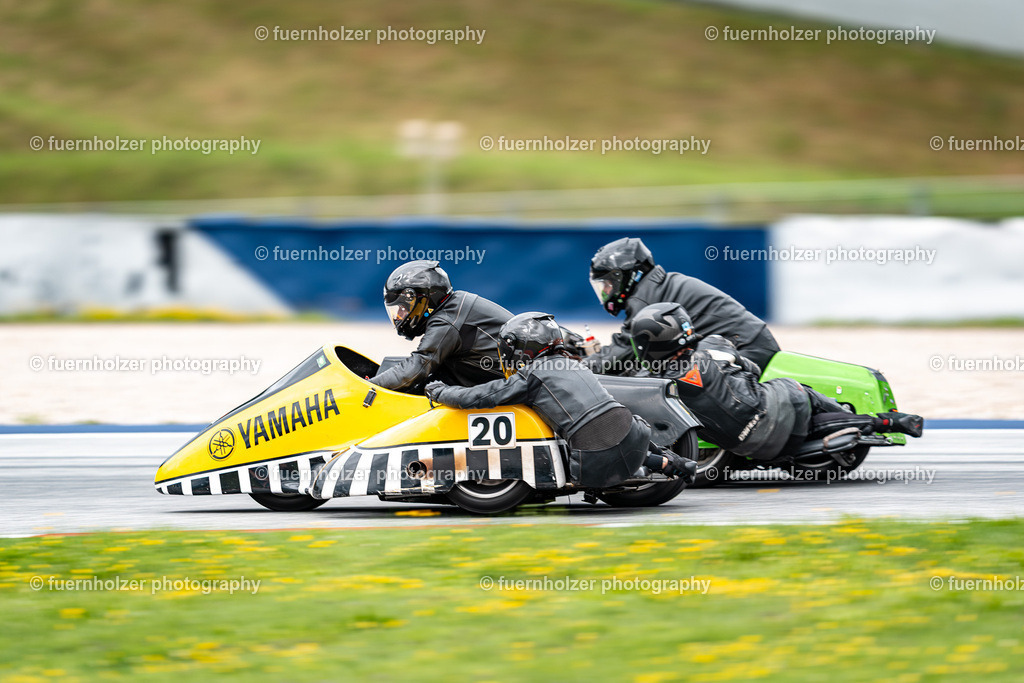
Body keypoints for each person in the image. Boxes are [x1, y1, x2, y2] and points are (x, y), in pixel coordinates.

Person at [425, 312, 695, 488]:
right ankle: (675, 463)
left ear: (522, 348)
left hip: (593, 451)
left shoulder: (533, 373)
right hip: (631, 430)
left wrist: (439, 390)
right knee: (623, 439)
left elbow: (480, 397)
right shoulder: (573, 364)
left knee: (568, 448)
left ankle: (640, 466)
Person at [627, 302, 923, 462]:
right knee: (800, 394)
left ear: (649, 344)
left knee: (788, 419)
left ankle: (874, 424)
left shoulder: (654, 384)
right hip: (779, 404)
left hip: (747, 446)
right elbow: (753, 369)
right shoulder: (714, 346)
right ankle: (883, 422)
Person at [586, 237, 780, 373]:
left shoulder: (644, 299)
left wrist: (577, 369)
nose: (606, 292)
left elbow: (624, 352)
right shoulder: (656, 286)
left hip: (746, 350)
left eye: (608, 285)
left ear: (625, 276)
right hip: (748, 344)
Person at [370, 260, 511, 393]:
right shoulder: (454, 307)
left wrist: (367, 386)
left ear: (423, 300)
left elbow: (417, 367)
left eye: (403, 308)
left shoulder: (446, 320)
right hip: (505, 376)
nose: (400, 316)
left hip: (510, 384)